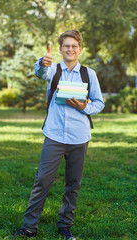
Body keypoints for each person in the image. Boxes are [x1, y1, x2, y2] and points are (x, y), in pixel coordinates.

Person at [13, 30, 105, 239]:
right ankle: (29, 227)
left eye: (74, 46)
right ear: (61, 48)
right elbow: (40, 72)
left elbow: (99, 103)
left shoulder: (89, 74)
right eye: (66, 46)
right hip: (54, 136)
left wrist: (84, 107)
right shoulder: (53, 70)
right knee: (42, 181)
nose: (70, 49)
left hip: (79, 137)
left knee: (73, 184)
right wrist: (42, 62)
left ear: (80, 49)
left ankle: (65, 225)